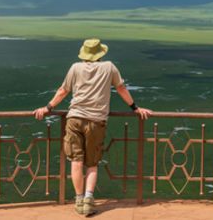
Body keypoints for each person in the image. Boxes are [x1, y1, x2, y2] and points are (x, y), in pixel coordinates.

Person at [33, 38, 152, 216]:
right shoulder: (109, 67)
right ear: (99, 54)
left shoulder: (75, 68)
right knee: (92, 163)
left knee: (76, 161)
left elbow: (63, 91)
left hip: (74, 119)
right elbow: (121, 89)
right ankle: (89, 200)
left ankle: (79, 199)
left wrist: (48, 108)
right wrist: (135, 108)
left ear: (84, 54)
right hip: (96, 120)